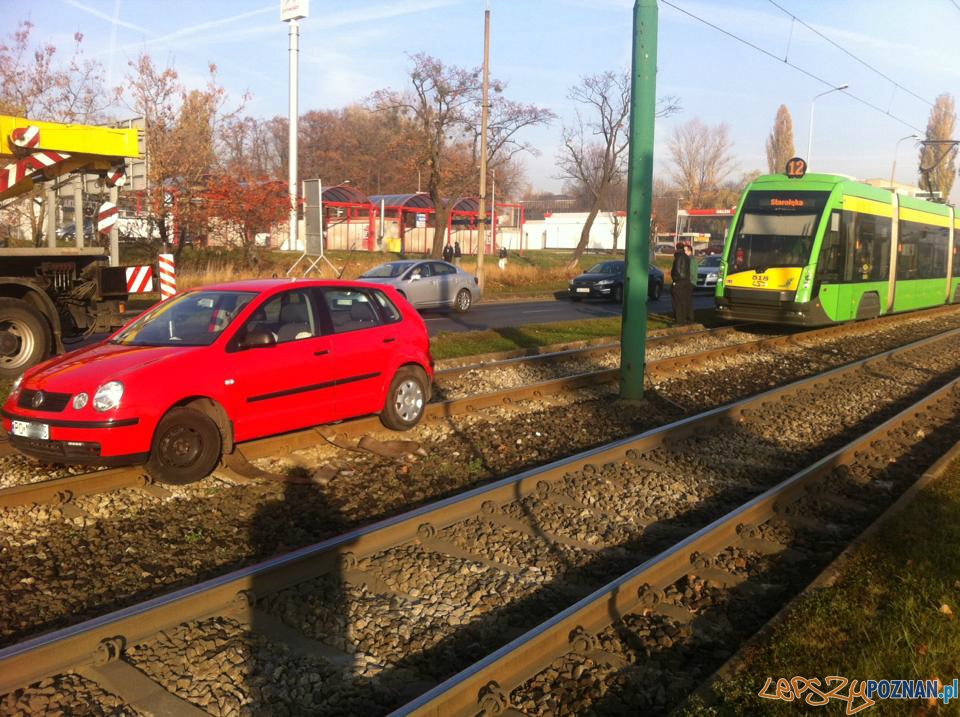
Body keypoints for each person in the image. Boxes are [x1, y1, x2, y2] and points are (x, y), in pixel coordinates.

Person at [671, 243, 694, 325]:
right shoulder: (687, 257)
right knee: (683, 301)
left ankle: (678, 321)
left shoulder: (678, 256)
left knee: (677, 302)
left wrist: (675, 280)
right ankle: (683, 320)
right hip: (686, 281)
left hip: (679, 282)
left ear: (677, 248)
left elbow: (677, 270)